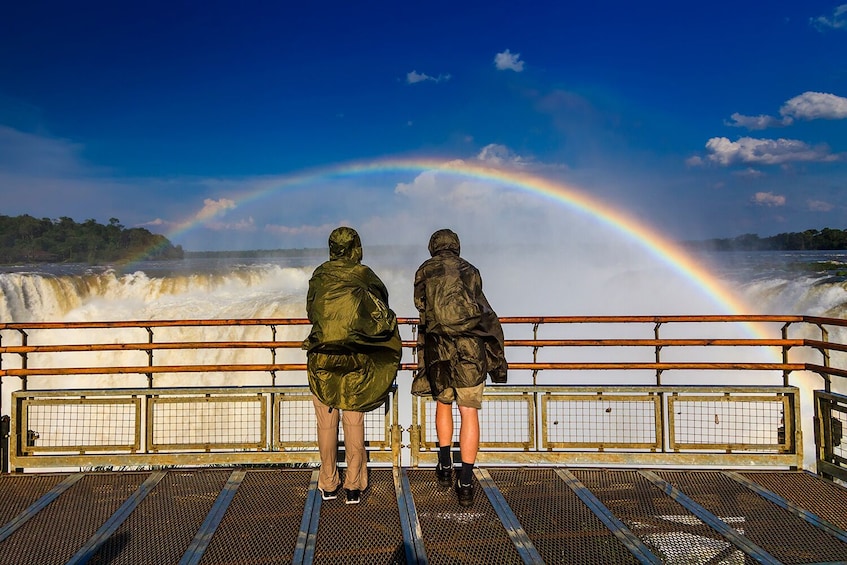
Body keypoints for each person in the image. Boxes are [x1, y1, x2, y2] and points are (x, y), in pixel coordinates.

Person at [302, 226, 402, 505]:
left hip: (322, 356)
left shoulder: (320, 275)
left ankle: (329, 483)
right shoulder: (363, 275)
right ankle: (354, 486)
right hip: (356, 357)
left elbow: (312, 312)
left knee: (326, 424)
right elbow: (382, 307)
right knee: (353, 420)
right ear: (356, 246)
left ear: (332, 248)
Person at [412, 228, 507, 507]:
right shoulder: (471, 271)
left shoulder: (424, 271)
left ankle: (443, 466)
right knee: (469, 413)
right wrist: (497, 360)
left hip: (438, 348)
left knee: (443, 405)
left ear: (433, 247)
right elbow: (483, 310)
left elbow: (421, 304)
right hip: (470, 350)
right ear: (456, 246)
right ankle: (465, 482)